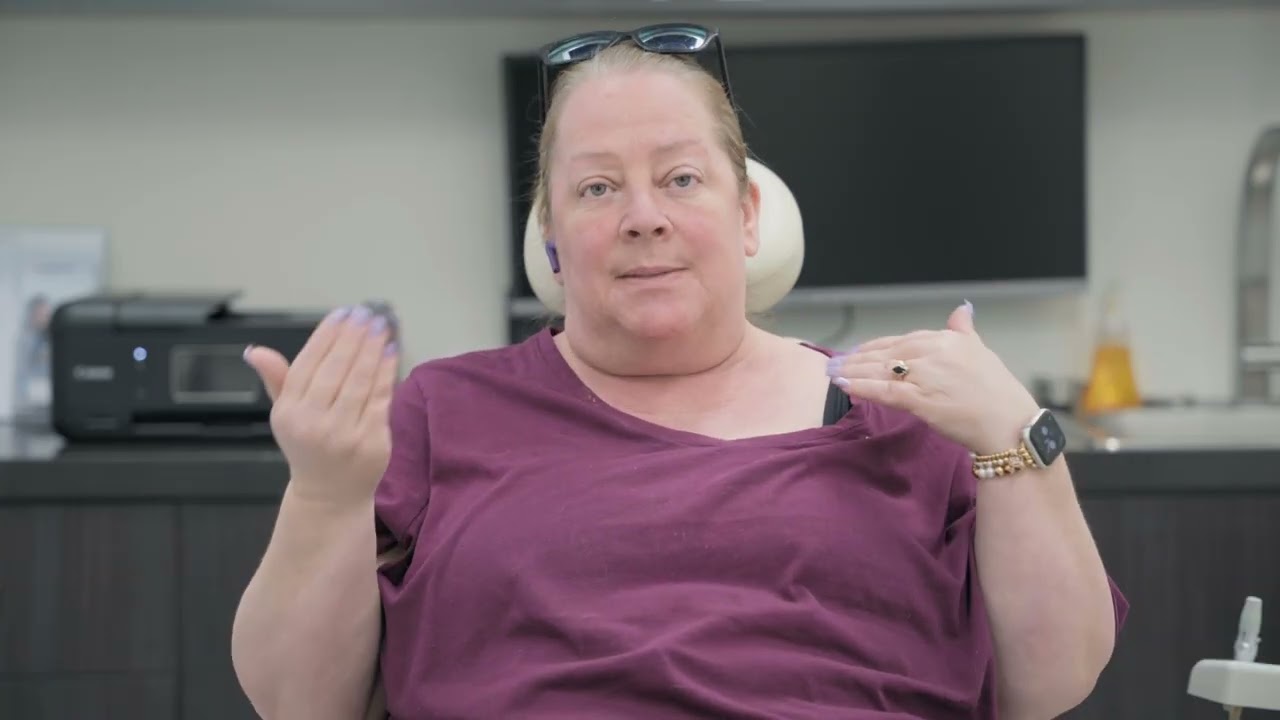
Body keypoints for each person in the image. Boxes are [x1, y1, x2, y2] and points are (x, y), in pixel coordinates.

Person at [232, 24, 1128, 720]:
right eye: (596, 188)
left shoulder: (903, 407)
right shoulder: (444, 409)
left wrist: (1019, 439)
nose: (642, 217)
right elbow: (295, 702)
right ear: (550, 239)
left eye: (682, 180)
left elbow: (1054, 682)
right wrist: (324, 496)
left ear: (747, 215)